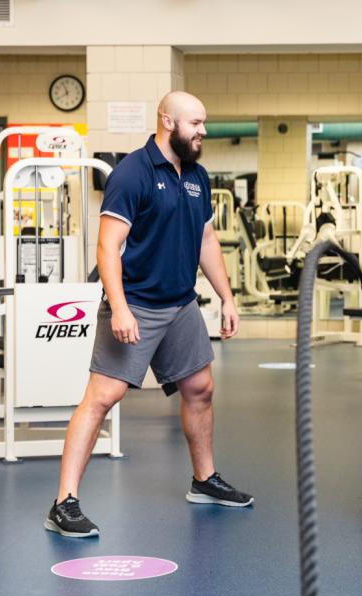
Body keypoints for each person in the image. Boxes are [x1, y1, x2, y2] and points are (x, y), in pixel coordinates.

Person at [45, 91, 253, 538]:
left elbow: (206, 242)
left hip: (180, 303)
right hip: (136, 301)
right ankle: (63, 502)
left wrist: (228, 297)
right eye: (195, 123)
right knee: (102, 397)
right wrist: (118, 307)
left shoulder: (197, 176)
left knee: (200, 388)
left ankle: (204, 480)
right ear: (167, 121)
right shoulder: (132, 173)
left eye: (203, 123)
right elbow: (107, 246)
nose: (203, 131)